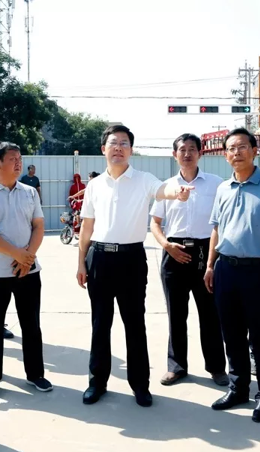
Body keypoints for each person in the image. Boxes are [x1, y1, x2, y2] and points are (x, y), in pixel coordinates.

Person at [76, 125, 193, 408]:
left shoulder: (143, 179)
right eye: (113, 143)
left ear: (131, 150)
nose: (118, 147)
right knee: (100, 324)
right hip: (99, 258)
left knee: (135, 324)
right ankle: (97, 382)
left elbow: (163, 190)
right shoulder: (95, 185)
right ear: (103, 149)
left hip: (131, 260)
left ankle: (140, 385)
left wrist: (178, 192)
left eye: (124, 143)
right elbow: (87, 226)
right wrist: (81, 262)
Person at [204, 128, 260, 423]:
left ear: (255, 150)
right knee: (231, 334)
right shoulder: (223, 188)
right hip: (226, 269)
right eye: (231, 148)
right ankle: (238, 388)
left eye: (242, 146)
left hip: (259, 270)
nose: (237, 152)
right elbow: (216, 228)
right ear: (225, 155)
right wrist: (210, 265)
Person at [0, 142, 51, 400]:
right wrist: (17, 254)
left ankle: (35, 374)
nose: (18, 163)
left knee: (31, 325)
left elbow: (38, 226)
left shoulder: (30, 192)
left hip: (28, 271)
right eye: (13, 159)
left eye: (19, 158)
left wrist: (28, 257)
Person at [150, 133, 227, 387]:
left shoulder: (216, 184)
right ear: (174, 155)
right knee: (176, 314)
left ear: (200, 153)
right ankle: (176, 366)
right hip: (174, 251)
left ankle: (216, 367)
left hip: (205, 253)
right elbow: (155, 223)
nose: (187, 154)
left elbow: (221, 222)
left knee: (210, 314)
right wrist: (166, 245)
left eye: (192, 149)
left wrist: (212, 261)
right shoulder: (166, 187)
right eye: (182, 150)